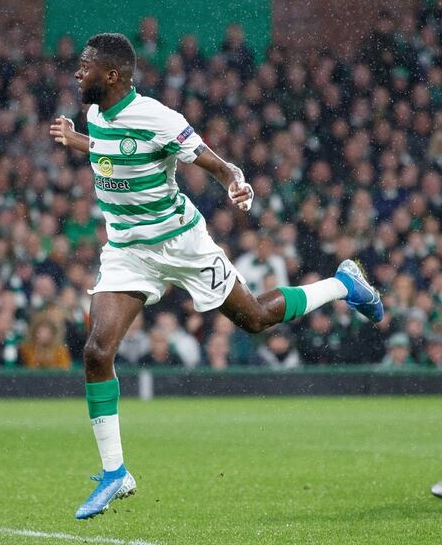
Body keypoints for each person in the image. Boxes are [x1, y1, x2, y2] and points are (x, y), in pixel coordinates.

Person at [48, 32, 383, 520]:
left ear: (113, 74)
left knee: (255, 318)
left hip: (182, 243)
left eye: (86, 66)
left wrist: (235, 182)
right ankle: (116, 473)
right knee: (97, 351)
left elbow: (213, 161)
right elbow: (108, 148)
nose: (78, 72)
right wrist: (76, 140)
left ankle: (343, 284)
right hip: (127, 250)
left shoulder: (160, 118)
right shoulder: (96, 115)